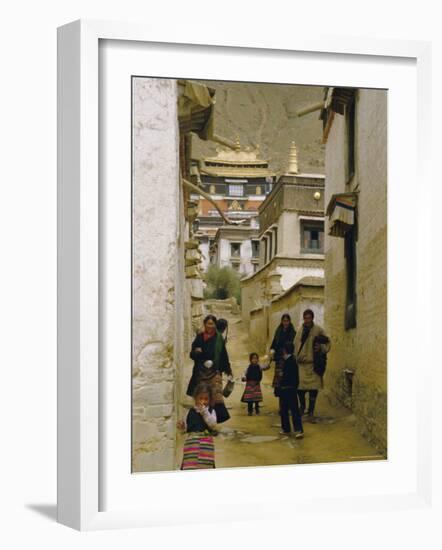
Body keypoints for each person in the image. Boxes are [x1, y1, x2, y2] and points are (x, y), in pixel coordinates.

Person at [186, 314, 233, 423]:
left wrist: (228, 370)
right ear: (205, 324)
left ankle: (213, 422)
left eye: (212, 324)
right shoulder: (199, 337)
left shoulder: (219, 339)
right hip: (201, 372)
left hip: (214, 371)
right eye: (208, 323)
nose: (210, 326)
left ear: (215, 325)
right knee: (202, 397)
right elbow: (192, 354)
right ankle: (201, 423)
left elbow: (223, 355)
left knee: (215, 397)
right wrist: (197, 353)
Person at [295, 309, 331, 421]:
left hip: (314, 364)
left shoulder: (319, 330)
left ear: (312, 318)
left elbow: (328, 342)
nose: (307, 320)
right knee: (300, 389)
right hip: (302, 365)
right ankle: (302, 408)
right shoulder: (300, 331)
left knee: (313, 389)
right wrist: (297, 357)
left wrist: (321, 348)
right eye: (305, 318)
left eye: (309, 318)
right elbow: (295, 345)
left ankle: (311, 411)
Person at [178, 383, 217, 470]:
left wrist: (204, 412)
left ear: (210, 400)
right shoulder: (189, 412)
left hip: (206, 445)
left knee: (205, 465)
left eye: (206, 399)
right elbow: (186, 429)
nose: (203, 401)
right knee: (190, 465)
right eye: (200, 398)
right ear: (195, 398)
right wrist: (182, 426)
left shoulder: (211, 411)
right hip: (191, 444)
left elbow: (213, 425)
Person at [278, 342, 304, 438]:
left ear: (284, 350)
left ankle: (294, 430)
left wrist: (282, 377)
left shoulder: (289, 362)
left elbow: (288, 377)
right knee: (290, 410)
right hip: (291, 390)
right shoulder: (292, 361)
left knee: (289, 410)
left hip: (288, 389)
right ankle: (293, 429)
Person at [269, 313, 296, 396]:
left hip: (288, 359)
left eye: (287, 321)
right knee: (279, 381)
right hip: (279, 358)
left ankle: (288, 402)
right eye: (284, 321)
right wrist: (272, 350)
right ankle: (281, 404)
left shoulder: (292, 332)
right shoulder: (278, 331)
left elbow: (294, 344)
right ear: (282, 321)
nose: (285, 323)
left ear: (289, 321)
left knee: (287, 380)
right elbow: (274, 343)